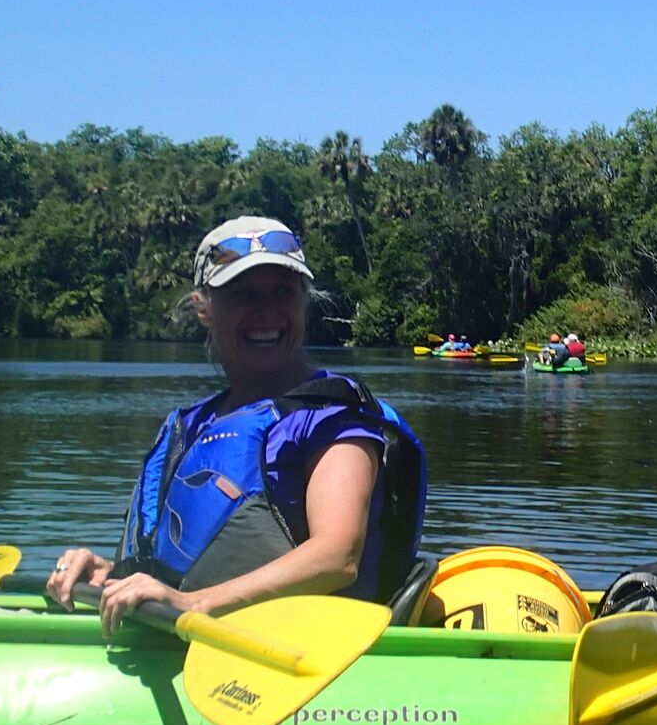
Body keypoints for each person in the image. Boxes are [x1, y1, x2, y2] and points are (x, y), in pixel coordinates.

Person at [46, 216, 425, 634]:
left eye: (284, 292)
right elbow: (180, 569)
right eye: (244, 295)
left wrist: (191, 603)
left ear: (304, 300)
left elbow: (336, 557)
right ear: (203, 308)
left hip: (295, 651)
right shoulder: (190, 425)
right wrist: (110, 574)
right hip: (179, 637)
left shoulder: (332, 418)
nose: (267, 313)